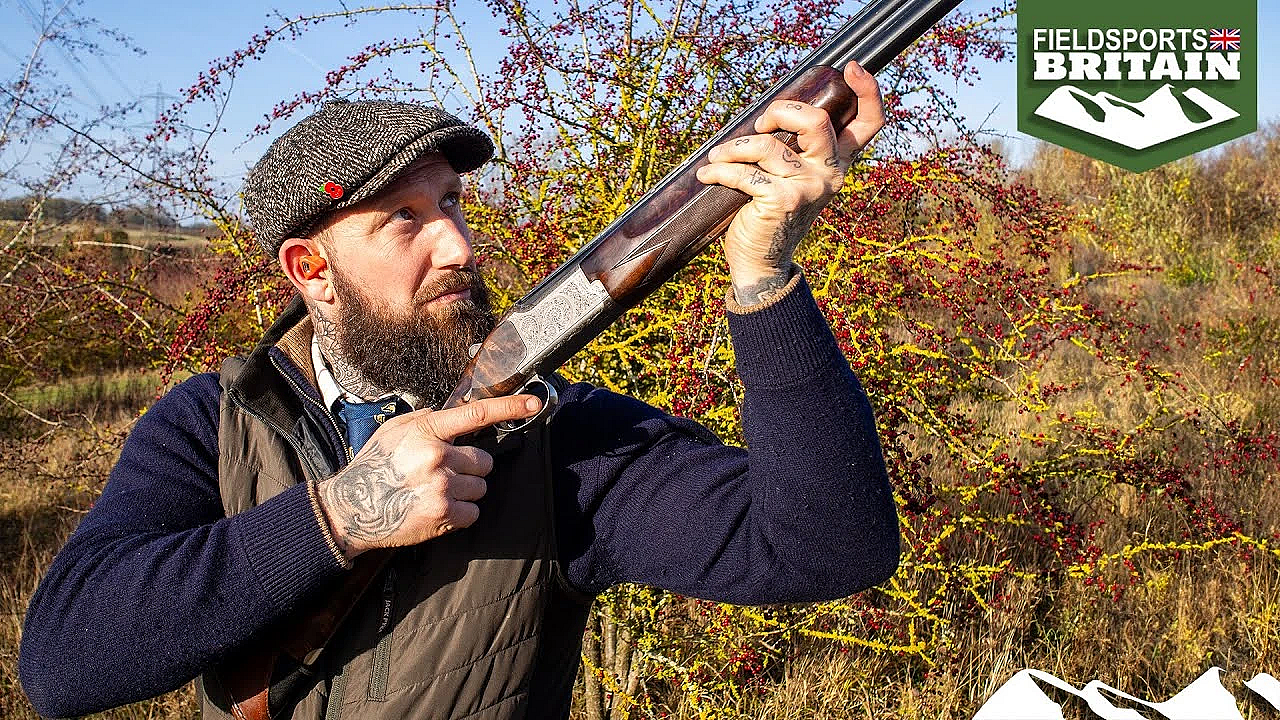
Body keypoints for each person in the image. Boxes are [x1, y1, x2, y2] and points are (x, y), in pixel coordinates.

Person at [19, 61, 898, 719]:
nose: (459, 246)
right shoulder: (213, 421)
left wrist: (762, 279)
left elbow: (826, 547)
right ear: (310, 268)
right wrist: (339, 517)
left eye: (452, 203)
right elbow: (61, 664)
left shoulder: (555, 435)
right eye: (404, 217)